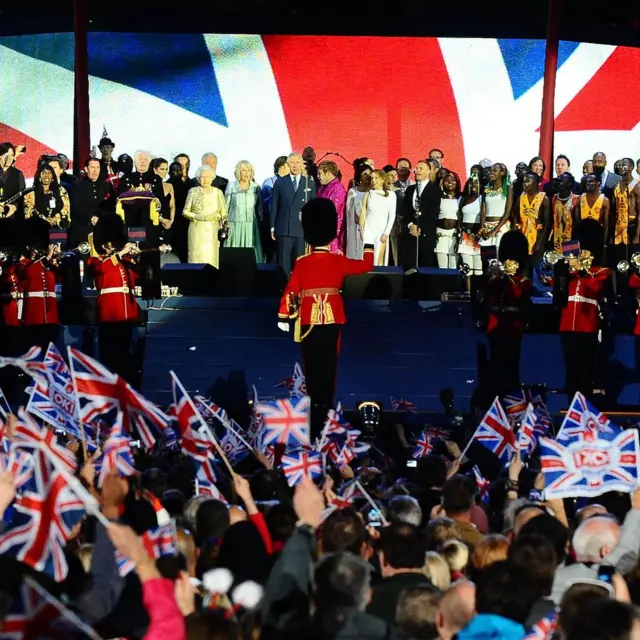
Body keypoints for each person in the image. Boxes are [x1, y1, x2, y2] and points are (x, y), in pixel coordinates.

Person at [277, 198, 374, 438]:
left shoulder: (302, 262)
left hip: (309, 318)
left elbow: (292, 289)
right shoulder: (338, 260)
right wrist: (369, 243)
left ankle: (314, 406)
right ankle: (326, 406)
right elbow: (365, 266)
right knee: (329, 364)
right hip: (333, 316)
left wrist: (284, 314)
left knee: (312, 365)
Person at [556, 219, 610, 398]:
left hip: (587, 326)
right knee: (570, 370)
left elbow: (593, 288)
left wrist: (582, 270)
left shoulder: (600, 271)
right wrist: (561, 270)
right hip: (567, 325)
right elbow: (556, 287)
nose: (582, 254)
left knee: (585, 372)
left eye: (586, 251)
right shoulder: (569, 271)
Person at [89, 213, 141, 382]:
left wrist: (137, 257)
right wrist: (120, 255)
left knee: (127, 356)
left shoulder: (123, 262)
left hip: (127, 314)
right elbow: (102, 270)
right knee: (110, 357)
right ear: (104, 245)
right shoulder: (96, 262)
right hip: (110, 314)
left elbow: (137, 277)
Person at [486, 230, 532, 396]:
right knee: (496, 365)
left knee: (511, 366)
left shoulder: (524, 282)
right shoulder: (496, 279)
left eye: (512, 260)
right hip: (495, 327)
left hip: (512, 328)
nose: (508, 262)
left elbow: (516, 295)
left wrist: (504, 278)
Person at [270, 153, 317, 275]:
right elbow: (274, 205)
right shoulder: (280, 182)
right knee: (283, 264)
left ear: (302, 164)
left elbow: (313, 209)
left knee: (299, 264)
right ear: (288, 164)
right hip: (284, 229)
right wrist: (272, 226)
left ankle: (298, 290)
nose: (295, 166)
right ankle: (283, 290)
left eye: (297, 163)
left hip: (301, 230)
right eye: (292, 163)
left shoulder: (309, 184)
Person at [20, 216, 60, 351]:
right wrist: (47, 258)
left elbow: (59, 277)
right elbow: (28, 272)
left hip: (50, 317)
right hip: (34, 317)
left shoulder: (46, 264)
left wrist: (56, 261)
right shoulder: (23, 265)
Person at [182, 166, 227, 268]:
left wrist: (218, 217)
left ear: (212, 178)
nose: (205, 179)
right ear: (198, 178)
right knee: (196, 260)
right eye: (202, 177)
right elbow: (185, 212)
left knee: (212, 260)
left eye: (208, 177)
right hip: (197, 230)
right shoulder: (193, 191)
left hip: (213, 230)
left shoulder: (218, 192)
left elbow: (224, 213)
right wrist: (199, 217)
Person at [70, 157, 115, 248]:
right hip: (82, 230)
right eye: (92, 167)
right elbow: (75, 207)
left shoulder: (106, 186)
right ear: (86, 169)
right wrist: (90, 218)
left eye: (97, 168)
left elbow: (110, 205)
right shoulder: (77, 185)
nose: (95, 171)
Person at [404, 159, 440, 271]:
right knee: (410, 266)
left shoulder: (435, 190)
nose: (417, 171)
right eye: (417, 168)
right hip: (411, 234)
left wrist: (421, 227)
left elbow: (433, 212)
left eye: (421, 168)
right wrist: (410, 225)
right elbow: (406, 210)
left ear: (429, 171)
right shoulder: (410, 189)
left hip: (426, 235)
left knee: (425, 267)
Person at [225, 160, 264, 262]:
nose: (247, 173)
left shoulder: (255, 187)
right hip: (234, 224)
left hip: (251, 224)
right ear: (238, 172)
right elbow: (225, 206)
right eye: (244, 170)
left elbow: (260, 208)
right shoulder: (231, 186)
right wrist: (224, 222)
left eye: (248, 170)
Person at [360, 169, 396, 266]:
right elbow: (363, 213)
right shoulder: (368, 194)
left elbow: (392, 216)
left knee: (378, 259)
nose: (373, 180)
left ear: (383, 179)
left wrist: (386, 233)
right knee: (367, 257)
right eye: (372, 178)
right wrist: (362, 229)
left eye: (376, 178)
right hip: (368, 230)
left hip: (381, 231)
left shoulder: (391, 195)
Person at [515, 172, 550, 264]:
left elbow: (547, 223)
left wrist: (540, 242)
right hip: (523, 237)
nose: (524, 184)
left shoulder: (544, 198)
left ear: (536, 183)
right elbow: (515, 216)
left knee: (536, 268)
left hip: (537, 239)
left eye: (527, 181)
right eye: (523, 181)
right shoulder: (521, 198)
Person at [23, 164, 71, 229]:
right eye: (43, 173)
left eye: (49, 173)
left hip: (58, 228)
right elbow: (29, 211)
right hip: (38, 229)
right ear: (39, 176)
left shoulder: (61, 190)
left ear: (53, 177)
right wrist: (45, 221)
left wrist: (55, 219)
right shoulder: (30, 193)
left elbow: (66, 207)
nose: (46, 175)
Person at [316, 160, 347, 255]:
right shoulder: (322, 188)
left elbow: (332, 209)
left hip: (332, 233)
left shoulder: (338, 188)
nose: (318, 176)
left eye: (320, 173)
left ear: (328, 173)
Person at [480, 163, 512, 249]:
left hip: (501, 226)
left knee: (499, 257)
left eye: (494, 171)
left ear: (502, 173)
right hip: (487, 226)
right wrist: (482, 228)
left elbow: (508, 211)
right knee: (486, 257)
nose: (491, 173)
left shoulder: (508, 188)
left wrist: (495, 230)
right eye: (490, 171)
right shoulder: (486, 189)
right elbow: (483, 210)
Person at [345, 162, 372, 260]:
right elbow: (349, 210)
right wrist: (356, 217)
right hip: (355, 227)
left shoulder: (374, 191)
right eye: (364, 174)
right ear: (359, 176)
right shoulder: (353, 191)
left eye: (370, 173)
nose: (368, 176)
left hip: (370, 227)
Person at [458, 173, 483, 279]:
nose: (473, 186)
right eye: (471, 183)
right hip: (465, 236)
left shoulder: (483, 199)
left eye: (476, 183)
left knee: (478, 269)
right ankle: (468, 293)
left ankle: (478, 294)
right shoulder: (463, 199)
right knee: (466, 269)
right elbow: (459, 215)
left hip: (478, 236)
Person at [435, 172, 461, 269]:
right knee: (442, 266)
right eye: (447, 181)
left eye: (453, 180)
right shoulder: (439, 198)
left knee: (453, 265)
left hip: (455, 234)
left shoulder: (461, 198)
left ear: (457, 182)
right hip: (440, 234)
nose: (450, 182)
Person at [550, 172, 580, 251]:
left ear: (569, 183)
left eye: (562, 181)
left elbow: (577, 223)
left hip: (571, 237)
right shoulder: (554, 198)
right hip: (556, 237)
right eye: (558, 181)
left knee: (569, 259)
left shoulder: (577, 199)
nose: (559, 183)